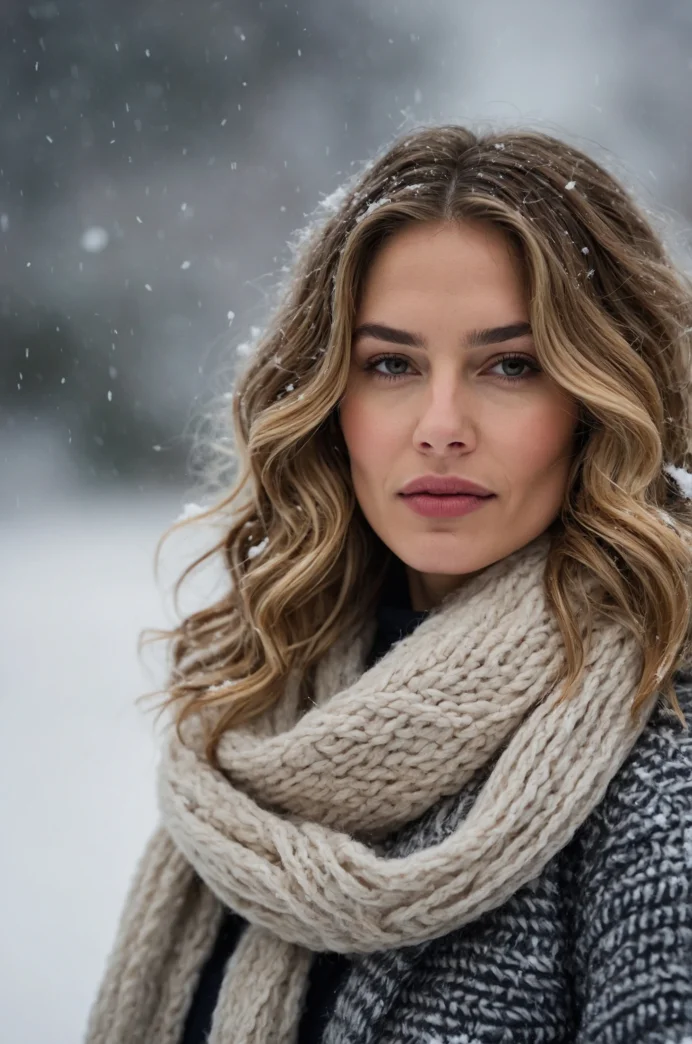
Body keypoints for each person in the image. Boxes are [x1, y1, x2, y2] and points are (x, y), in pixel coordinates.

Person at [84, 125, 692, 1044]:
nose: (442, 425)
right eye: (392, 364)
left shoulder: (664, 756)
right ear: (331, 399)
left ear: (599, 400)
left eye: (511, 364)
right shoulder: (262, 713)